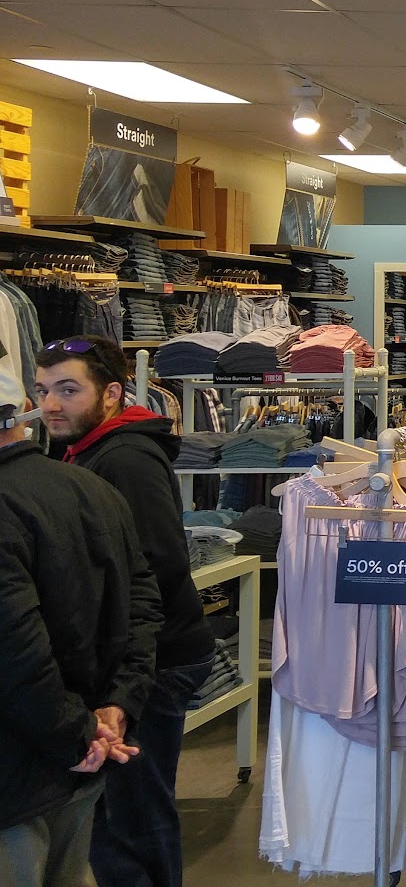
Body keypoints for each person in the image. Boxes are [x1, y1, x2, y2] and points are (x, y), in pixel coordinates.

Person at [35, 337, 210, 887]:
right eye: (42, 391)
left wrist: (123, 678)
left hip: (151, 659)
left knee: (132, 817)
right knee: (117, 816)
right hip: (136, 657)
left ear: (111, 393)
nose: (50, 405)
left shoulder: (125, 458)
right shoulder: (86, 450)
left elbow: (159, 563)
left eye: (68, 390)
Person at [0, 396, 162, 886]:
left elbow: (16, 651)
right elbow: (142, 603)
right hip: (84, 756)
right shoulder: (90, 485)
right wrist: (117, 706)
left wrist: (80, 734)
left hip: (23, 773)